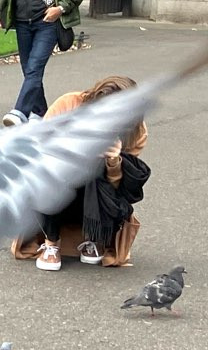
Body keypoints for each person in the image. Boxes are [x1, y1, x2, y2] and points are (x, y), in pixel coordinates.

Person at [12, 75, 149, 270]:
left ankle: (94, 239)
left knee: (123, 168)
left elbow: (123, 192)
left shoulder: (136, 130)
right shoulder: (69, 104)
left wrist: (114, 162)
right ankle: (51, 243)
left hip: (94, 200)